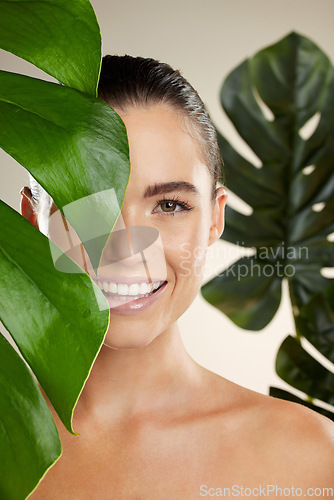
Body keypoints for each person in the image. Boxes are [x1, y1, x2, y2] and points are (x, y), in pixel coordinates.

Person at [21, 55, 333, 499]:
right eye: (88, 201)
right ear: (34, 217)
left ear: (214, 219)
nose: (127, 249)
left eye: (170, 205)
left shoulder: (310, 460)